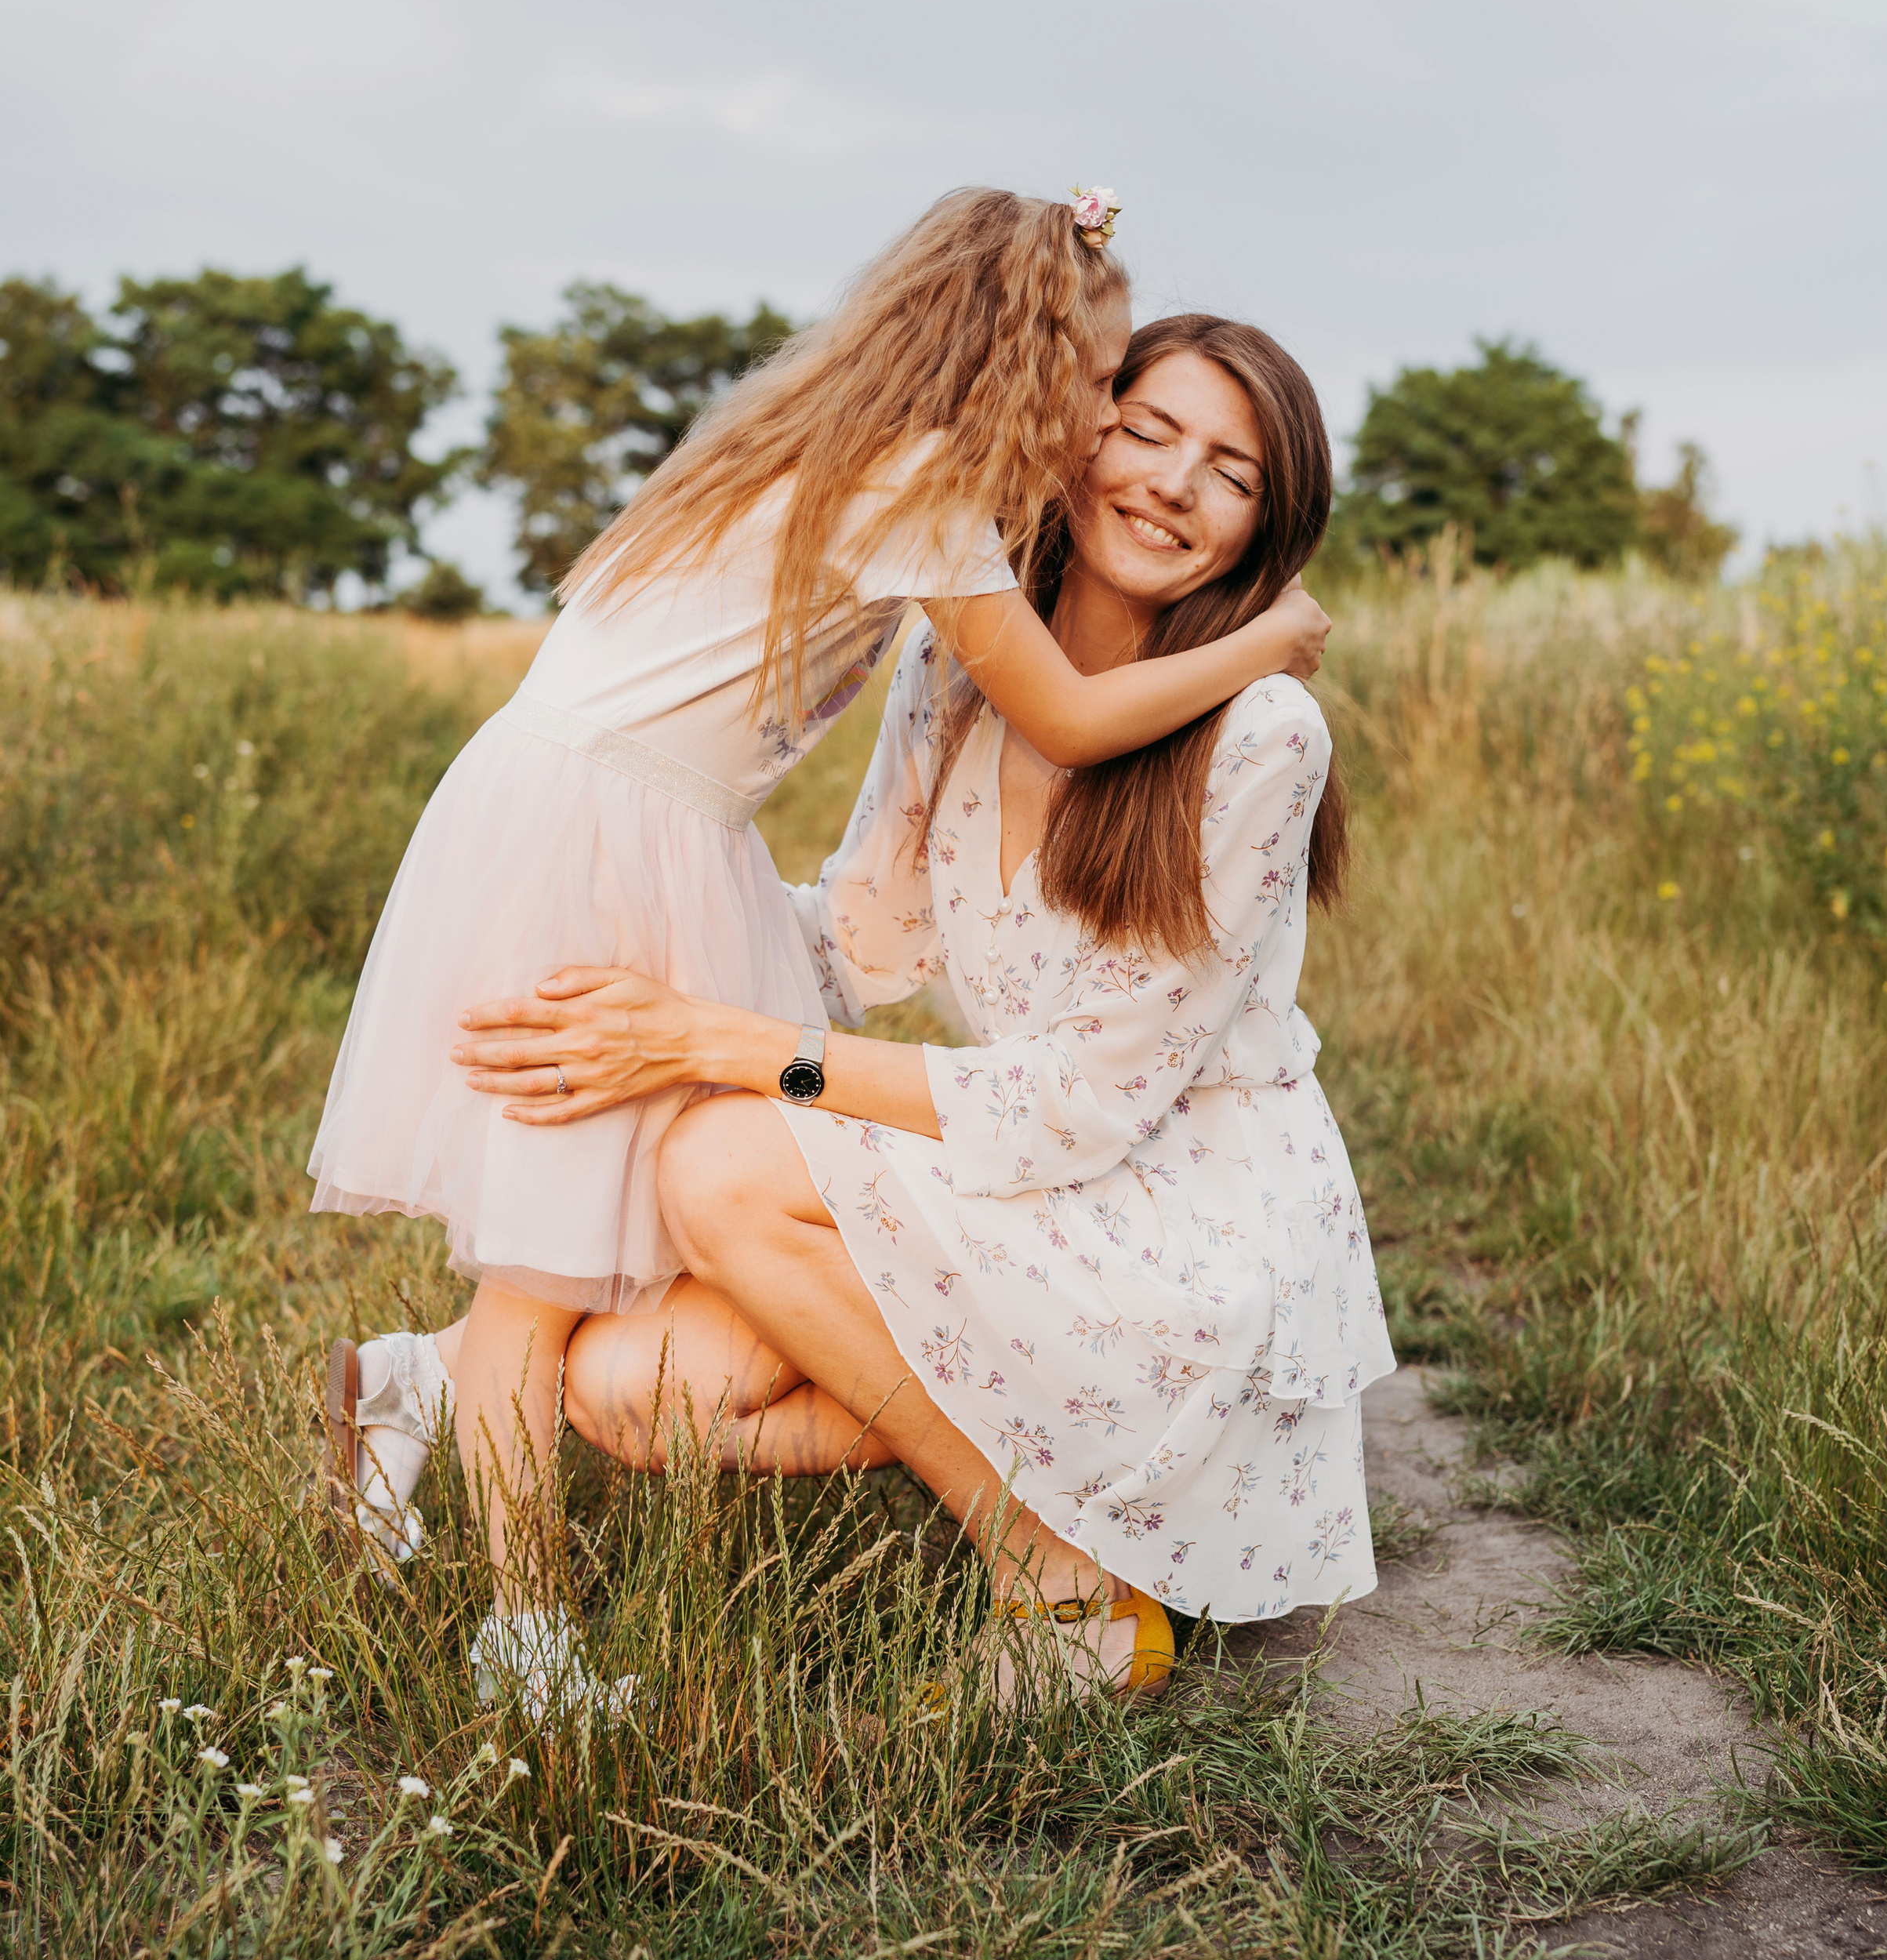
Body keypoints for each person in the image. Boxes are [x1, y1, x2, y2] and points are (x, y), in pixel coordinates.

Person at [310, 192, 1332, 1708]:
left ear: (1271, 515)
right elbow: (876, 913)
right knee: (593, 1313)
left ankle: (1056, 1564)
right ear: (1031, 366)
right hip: (624, 827)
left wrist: (710, 1023)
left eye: (1226, 468)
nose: (1128, 453)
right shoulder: (945, 556)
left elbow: (1077, 1082)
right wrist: (1276, 628)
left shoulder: (1242, 727)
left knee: (684, 1168)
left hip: (1159, 1196)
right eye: (1119, 406)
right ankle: (482, 1491)